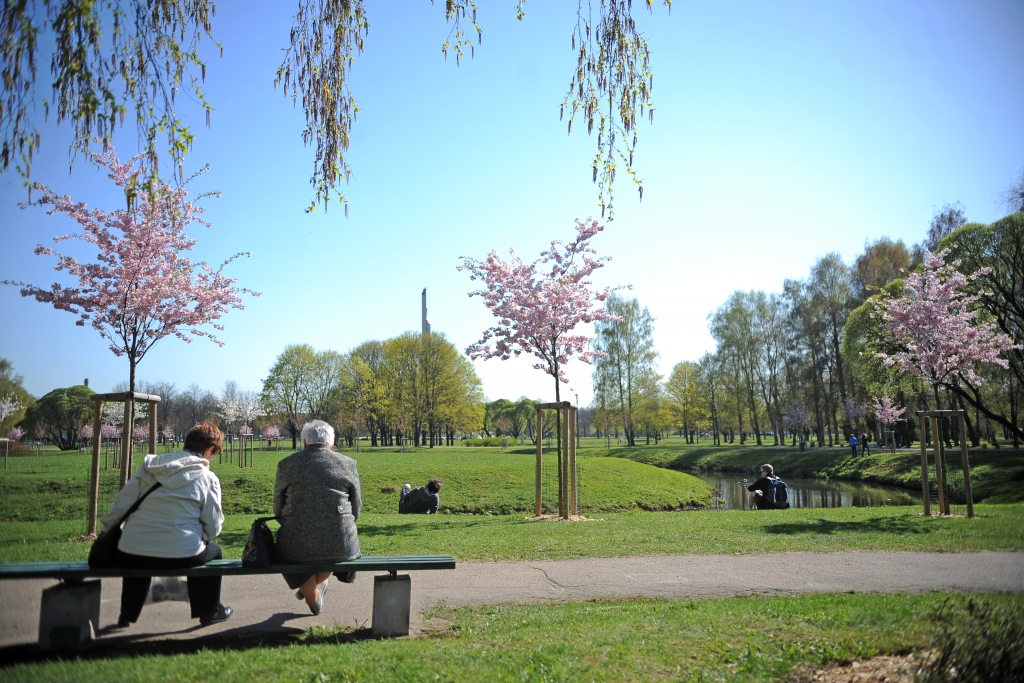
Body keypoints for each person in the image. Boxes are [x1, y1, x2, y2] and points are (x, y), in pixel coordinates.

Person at [100, 422, 232, 628]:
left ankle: (127, 614)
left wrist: (105, 530)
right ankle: (209, 610)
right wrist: (203, 539)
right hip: (183, 555)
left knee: (139, 545)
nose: (212, 459)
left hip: (131, 552)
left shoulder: (150, 467)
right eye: (214, 453)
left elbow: (121, 504)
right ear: (209, 449)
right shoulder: (208, 478)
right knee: (214, 552)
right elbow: (213, 525)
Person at [274, 420, 361, 616]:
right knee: (331, 550)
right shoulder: (348, 464)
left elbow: (277, 508)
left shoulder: (286, 465)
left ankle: (311, 593)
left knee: (294, 553)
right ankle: (312, 590)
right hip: (339, 540)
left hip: (295, 540)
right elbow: (356, 509)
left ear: (304, 443)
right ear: (332, 444)